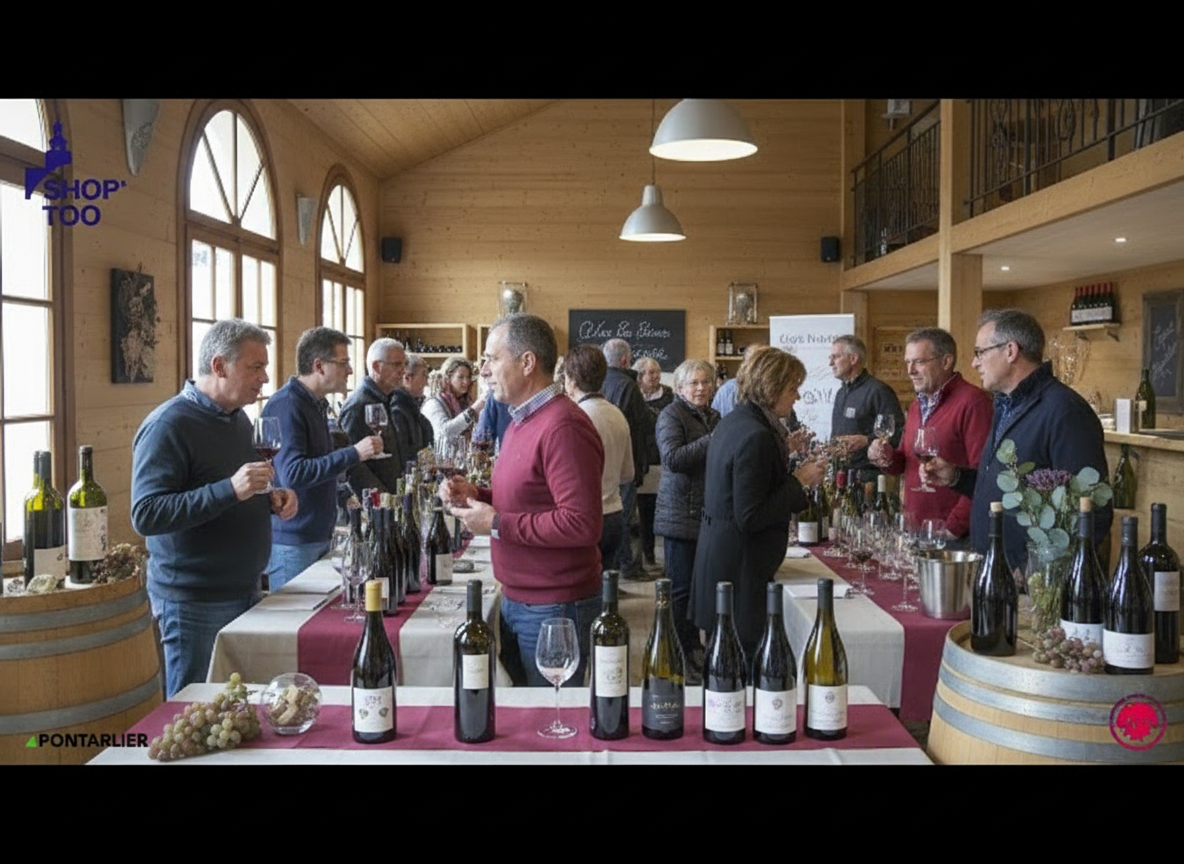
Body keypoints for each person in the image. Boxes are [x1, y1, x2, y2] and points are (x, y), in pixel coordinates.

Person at [131, 319, 299, 698]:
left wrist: (269, 499)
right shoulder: (168, 425)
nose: (266, 377)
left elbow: (234, 491)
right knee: (192, 716)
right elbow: (147, 514)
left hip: (244, 590)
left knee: (235, 709)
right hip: (193, 602)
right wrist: (230, 489)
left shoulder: (237, 419)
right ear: (219, 366)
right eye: (255, 367)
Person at [443, 314, 604, 687]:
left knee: (551, 718)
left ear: (527, 363)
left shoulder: (564, 425)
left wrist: (496, 523)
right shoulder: (522, 419)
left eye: (491, 359)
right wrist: (476, 494)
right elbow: (530, 496)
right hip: (519, 599)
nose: (482, 370)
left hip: (555, 605)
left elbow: (581, 523)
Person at [922, 309, 1111, 566]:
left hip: (1029, 585)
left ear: (1010, 351)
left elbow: (1091, 511)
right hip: (993, 570)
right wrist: (956, 477)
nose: (974, 363)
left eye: (980, 352)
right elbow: (1008, 488)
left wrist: (1038, 573)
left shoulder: (1065, 411)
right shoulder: (1005, 404)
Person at [689, 347, 826, 668]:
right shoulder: (757, 434)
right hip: (739, 572)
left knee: (723, 666)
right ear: (772, 387)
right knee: (738, 672)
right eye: (793, 388)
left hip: (721, 560)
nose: (798, 396)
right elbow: (750, 516)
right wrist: (799, 481)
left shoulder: (738, 420)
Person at [263, 327, 383, 591]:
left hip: (316, 535)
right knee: (292, 629)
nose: (350, 370)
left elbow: (319, 462)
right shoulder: (288, 405)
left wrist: (342, 495)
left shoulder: (315, 403)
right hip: (294, 541)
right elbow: (293, 473)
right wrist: (354, 453)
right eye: (343, 363)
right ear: (318, 366)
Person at [867, 327, 992, 543]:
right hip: (915, 529)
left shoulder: (973, 402)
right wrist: (886, 457)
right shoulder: (917, 404)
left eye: (919, 362)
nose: (910, 370)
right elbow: (905, 464)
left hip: (953, 536)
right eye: (908, 362)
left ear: (946, 361)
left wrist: (953, 528)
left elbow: (983, 475)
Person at [654, 358, 720, 682]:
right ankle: (681, 655)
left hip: (708, 516)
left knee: (701, 589)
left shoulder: (714, 416)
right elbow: (672, 459)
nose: (700, 388)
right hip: (679, 515)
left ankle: (697, 651)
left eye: (706, 382)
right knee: (680, 592)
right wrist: (714, 440)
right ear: (680, 388)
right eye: (693, 383)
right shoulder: (671, 415)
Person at [564, 344, 634, 565]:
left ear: (572, 382)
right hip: (614, 516)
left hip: (584, 519)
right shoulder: (617, 414)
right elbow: (627, 473)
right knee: (607, 592)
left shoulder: (574, 418)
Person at [601, 338, 654, 580]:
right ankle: (628, 569)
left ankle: (610, 575)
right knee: (625, 519)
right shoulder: (628, 385)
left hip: (602, 462)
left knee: (611, 517)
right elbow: (638, 424)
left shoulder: (598, 381)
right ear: (625, 360)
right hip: (625, 461)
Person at [340, 338, 408, 496]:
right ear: (376, 366)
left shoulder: (388, 398)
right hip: (376, 503)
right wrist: (381, 499)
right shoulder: (358, 405)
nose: (403, 370)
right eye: (397, 365)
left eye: (404, 364)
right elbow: (351, 466)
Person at [829, 334, 904, 478]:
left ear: (853, 359)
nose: (831, 363)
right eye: (830, 358)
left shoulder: (878, 391)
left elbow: (899, 433)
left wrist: (866, 441)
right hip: (841, 475)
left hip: (870, 477)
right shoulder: (841, 393)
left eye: (836, 357)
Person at [635, 355, 673, 570]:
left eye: (657, 372)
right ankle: (647, 554)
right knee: (644, 510)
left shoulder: (668, 396)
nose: (655, 376)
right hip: (643, 460)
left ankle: (665, 557)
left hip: (662, 458)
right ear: (640, 375)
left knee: (664, 509)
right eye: (650, 372)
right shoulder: (633, 395)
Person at [423, 355, 485, 446]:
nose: (466, 382)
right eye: (461, 377)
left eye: (468, 377)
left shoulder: (465, 402)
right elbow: (444, 432)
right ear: (448, 378)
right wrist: (473, 410)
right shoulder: (433, 403)